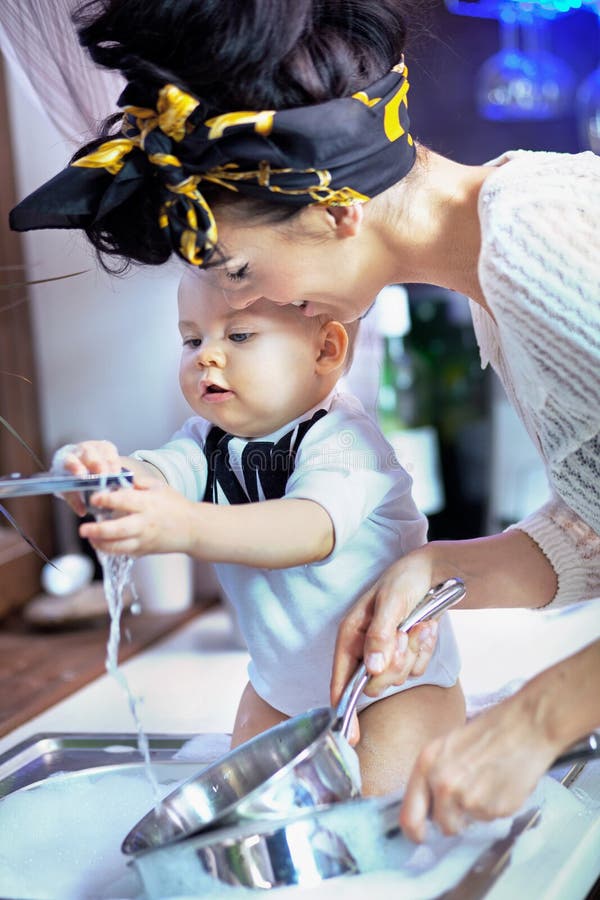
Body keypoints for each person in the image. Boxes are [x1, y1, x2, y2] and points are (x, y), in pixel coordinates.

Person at [9, 0, 599, 839]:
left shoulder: (544, 237)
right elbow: (595, 537)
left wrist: (541, 719)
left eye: (241, 270)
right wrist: (432, 570)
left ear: (336, 210)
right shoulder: (498, 283)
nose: (251, 302)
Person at [57, 268, 465, 795]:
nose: (207, 354)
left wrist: (185, 524)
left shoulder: (345, 441)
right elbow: (156, 474)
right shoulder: (205, 439)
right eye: (191, 338)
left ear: (325, 350)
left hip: (395, 686)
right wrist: (100, 473)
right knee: (238, 805)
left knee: (375, 817)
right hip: (282, 691)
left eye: (239, 335)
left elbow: (308, 528)